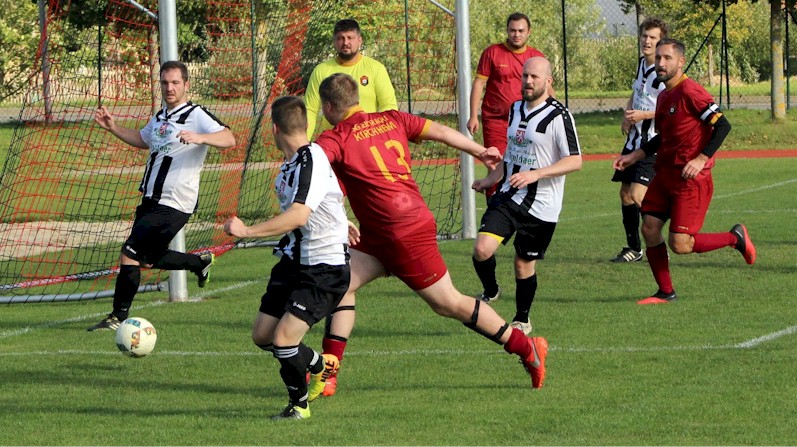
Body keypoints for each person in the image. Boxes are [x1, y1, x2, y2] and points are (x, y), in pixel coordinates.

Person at [309, 73, 549, 400]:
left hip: (402, 233)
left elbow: (308, 166)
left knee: (448, 303)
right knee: (340, 282)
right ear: (357, 98)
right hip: (384, 232)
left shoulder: (335, 138)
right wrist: (480, 151)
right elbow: (441, 131)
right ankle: (329, 372)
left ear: (327, 106)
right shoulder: (391, 118)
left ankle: (526, 348)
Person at [223, 96, 350, 421]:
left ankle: (299, 405)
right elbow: (324, 200)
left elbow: (298, 215)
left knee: (283, 339)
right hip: (293, 262)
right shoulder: (293, 163)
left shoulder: (311, 159)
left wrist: (248, 231)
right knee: (263, 336)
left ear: (275, 128)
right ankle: (319, 364)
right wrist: (340, 220)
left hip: (322, 268)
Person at [88, 60, 236, 331]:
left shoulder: (196, 114)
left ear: (186, 85)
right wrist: (113, 127)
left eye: (175, 83)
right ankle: (199, 262)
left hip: (175, 201)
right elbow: (143, 139)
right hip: (151, 198)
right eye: (165, 83)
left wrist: (202, 138)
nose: (170, 88)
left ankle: (118, 317)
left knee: (130, 252)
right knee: (148, 257)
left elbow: (229, 138)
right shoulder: (160, 117)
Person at [613, 38, 756, 305]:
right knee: (650, 227)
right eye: (658, 58)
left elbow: (723, 126)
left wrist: (701, 159)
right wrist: (635, 155)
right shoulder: (665, 94)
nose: (661, 63)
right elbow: (663, 138)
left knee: (680, 244)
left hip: (690, 180)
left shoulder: (692, 91)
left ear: (681, 61)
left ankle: (734, 238)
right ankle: (665, 292)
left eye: (667, 58)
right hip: (665, 174)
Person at [471, 56, 582, 334]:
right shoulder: (516, 108)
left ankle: (522, 317)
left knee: (523, 263)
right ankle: (491, 290)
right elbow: (512, 153)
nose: (528, 81)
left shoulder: (559, 116)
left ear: (548, 81)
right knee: (482, 249)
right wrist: (491, 178)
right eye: (525, 76)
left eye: (534, 77)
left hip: (542, 206)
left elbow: (575, 161)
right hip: (509, 195)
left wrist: (536, 174)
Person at [467, 12, 546, 199]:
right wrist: (473, 115)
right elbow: (479, 84)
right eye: (512, 30)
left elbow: (547, 88)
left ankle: (518, 207)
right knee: (496, 165)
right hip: (496, 120)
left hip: (524, 121)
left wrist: (557, 112)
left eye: (521, 31)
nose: (516, 34)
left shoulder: (536, 57)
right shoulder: (492, 53)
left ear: (529, 32)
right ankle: (494, 213)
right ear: (507, 31)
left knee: (523, 164)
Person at [610, 18, 669, 263]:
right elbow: (636, 92)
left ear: (661, 43)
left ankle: (667, 231)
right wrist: (628, 113)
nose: (646, 41)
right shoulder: (642, 65)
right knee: (625, 194)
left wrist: (645, 115)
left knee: (637, 194)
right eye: (644, 35)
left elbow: (670, 109)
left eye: (652, 38)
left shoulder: (663, 73)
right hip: (635, 140)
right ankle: (634, 249)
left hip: (652, 143)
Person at [304, 18, 398, 140]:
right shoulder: (321, 70)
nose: (345, 42)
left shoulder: (376, 68)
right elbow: (310, 110)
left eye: (350, 38)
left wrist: (379, 136)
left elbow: (388, 106)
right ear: (334, 41)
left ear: (360, 40)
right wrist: (302, 144)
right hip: (333, 143)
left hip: (366, 141)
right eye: (340, 38)